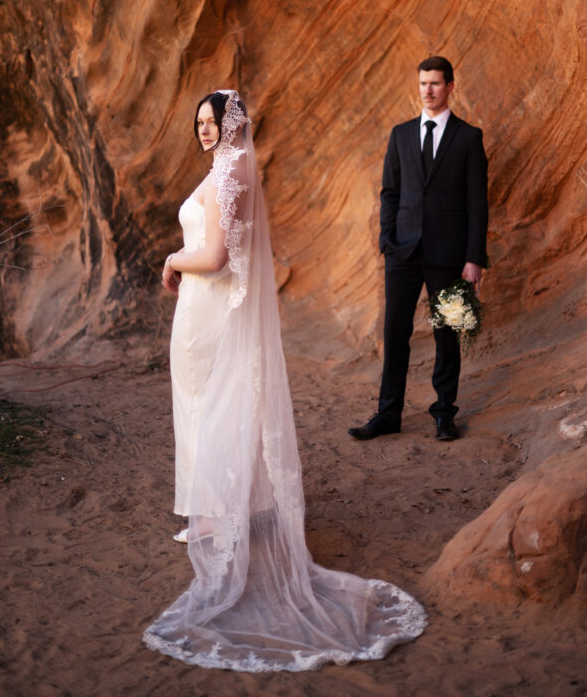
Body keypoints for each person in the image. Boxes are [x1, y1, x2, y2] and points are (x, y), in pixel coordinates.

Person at [144, 89, 426, 671]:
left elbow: (218, 256)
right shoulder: (231, 165)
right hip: (205, 310)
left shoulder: (232, 167)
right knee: (207, 406)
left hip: (208, 307)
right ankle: (216, 508)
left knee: (210, 405)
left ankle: (219, 518)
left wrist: (173, 259)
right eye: (198, 122)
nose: (203, 129)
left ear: (232, 123)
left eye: (212, 120)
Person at [349, 57, 488, 443]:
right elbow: (390, 193)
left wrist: (474, 258)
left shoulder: (468, 138)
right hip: (402, 254)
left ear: (450, 87)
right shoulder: (401, 134)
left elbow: (478, 203)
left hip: (450, 256)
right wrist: (386, 241)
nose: (428, 90)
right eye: (423, 83)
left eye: (435, 84)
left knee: (447, 335)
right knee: (395, 333)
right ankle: (387, 414)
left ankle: (444, 414)